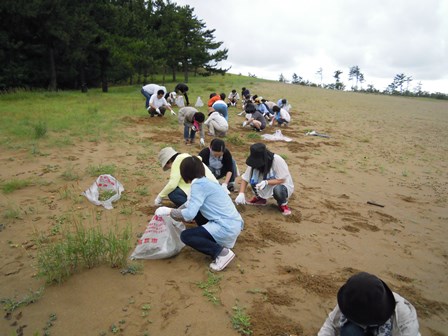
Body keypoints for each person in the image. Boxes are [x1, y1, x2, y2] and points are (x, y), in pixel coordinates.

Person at [155, 156, 243, 271]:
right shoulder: (205, 182)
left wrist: (169, 211)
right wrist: (173, 214)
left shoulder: (198, 186)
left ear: (185, 173)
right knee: (199, 213)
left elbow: (189, 214)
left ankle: (221, 253)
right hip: (233, 224)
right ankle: (218, 242)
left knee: (186, 236)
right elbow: (188, 205)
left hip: (225, 227)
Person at [318, 272, 420, 336]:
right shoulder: (350, 298)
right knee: (350, 332)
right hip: (357, 330)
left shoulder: (403, 316)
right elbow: (330, 325)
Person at [154, 147, 218, 225]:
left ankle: (196, 214)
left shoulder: (178, 161)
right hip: (213, 190)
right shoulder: (185, 157)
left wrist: (160, 196)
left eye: (167, 165)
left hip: (205, 196)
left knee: (173, 193)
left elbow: (172, 184)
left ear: (169, 161)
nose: (169, 168)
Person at [235, 143, 294, 215]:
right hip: (264, 183)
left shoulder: (277, 160)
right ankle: (260, 198)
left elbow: (282, 179)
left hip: (281, 185)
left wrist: (266, 182)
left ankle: (283, 204)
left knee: (278, 189)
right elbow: (245, 178)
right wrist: (241, 193)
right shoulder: (253, 162)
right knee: (253, 179)